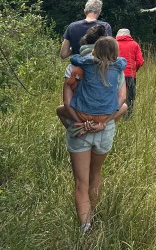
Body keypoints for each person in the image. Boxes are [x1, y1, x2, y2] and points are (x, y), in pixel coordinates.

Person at [62, 36, 128, 234]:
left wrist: (81, 122)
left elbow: (66, 103)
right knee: (95, 174)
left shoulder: (75, 68)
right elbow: (122, 99)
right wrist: (103, 123)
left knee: (81, 183)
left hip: (80, 127)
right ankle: (95, 214)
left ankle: (85, 227)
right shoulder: (118, 70)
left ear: (91, 50)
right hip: (103, 130)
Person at [115, 28, 144, 118]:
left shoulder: (114, 44)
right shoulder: (135, 44)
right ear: (129, 35)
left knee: (116, 98)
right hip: (130, 75)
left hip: (115, 75)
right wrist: (134, 70)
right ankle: (128, 117)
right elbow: (140, 61)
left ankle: (115, 117)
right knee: (130, 98)